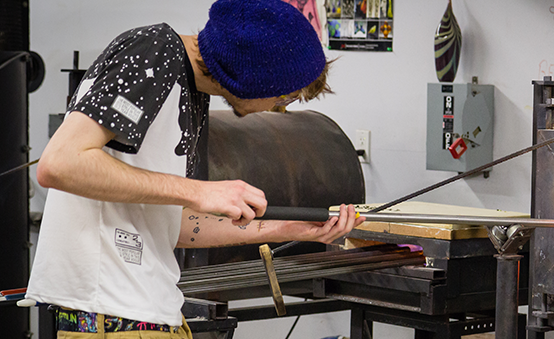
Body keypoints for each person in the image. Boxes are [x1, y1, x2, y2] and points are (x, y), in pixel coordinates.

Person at [25, 0, 365, 337]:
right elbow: (61, 163)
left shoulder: (186, 87)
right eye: (283, 98)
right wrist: (199, 191)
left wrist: (292, 229)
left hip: (150, 312)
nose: (278, 110)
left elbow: (173, 225)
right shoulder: (154, 51)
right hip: (115, 317)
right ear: (253, 76)